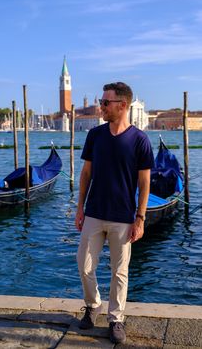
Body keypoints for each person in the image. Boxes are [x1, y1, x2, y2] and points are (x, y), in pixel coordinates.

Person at [75, 82, 154, 344]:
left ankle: (116, 318)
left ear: (122, 105)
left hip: (123, 216)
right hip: (94, 212)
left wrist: (140, 218)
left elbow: (144, 183)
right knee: (84, 265)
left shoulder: (140, 140)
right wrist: (79, 208)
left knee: (119, 271)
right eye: (101, 101)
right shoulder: (95, 135)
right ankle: (93, 304)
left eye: (105, 102)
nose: (101, 106)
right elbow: (86, 173)